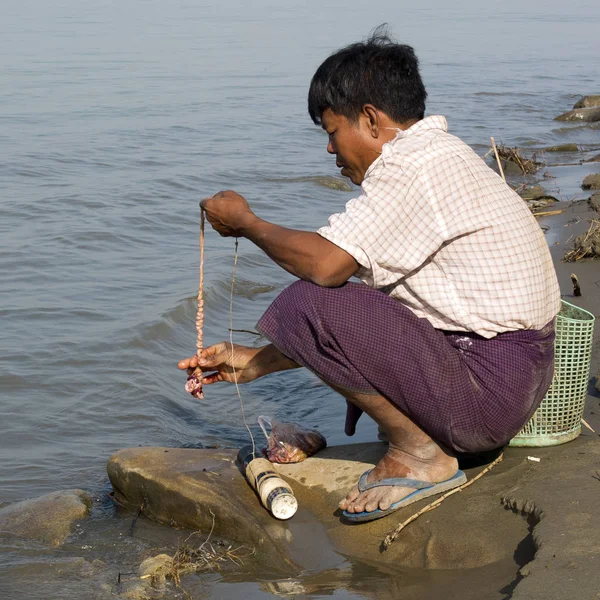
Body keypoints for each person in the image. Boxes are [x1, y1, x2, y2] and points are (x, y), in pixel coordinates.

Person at [177, 31, 561, 523]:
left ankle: (424, 455)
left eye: (332, 133)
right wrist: (255, 363)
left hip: (490, 393)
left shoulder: (414, 168)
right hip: (510, 382)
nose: (331, 151)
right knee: (352, 298)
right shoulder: (440, 156)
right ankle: (426, 438)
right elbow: (378, 320)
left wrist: (248, 225)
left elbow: (324, 267)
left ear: (371, 120)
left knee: (309, 299)